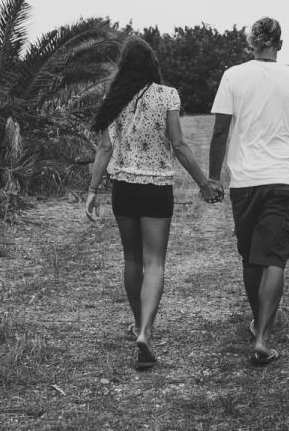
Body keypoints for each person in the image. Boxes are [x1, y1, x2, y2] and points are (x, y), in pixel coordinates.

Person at [85, 37, 224, 371]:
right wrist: (204, 182)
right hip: (155, 188)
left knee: (132, 259)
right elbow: (178, 144)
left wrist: (92, 190)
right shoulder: (167, 95)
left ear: (124, 66)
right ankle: (146, 330)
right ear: (152, 64)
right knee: (155, 262)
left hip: (123, 188)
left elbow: (104, 150)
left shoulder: (114, 99)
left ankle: (137, 324)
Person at [209, 17, 289, 366]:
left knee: (252, 257)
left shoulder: (232, 76)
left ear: (251, 44)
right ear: (279, 45)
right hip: (283, 180)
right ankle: (262, 337)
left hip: (245, 182)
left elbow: (220, 133)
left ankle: (258, 322)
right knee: (273, 259)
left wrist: (213, 177)